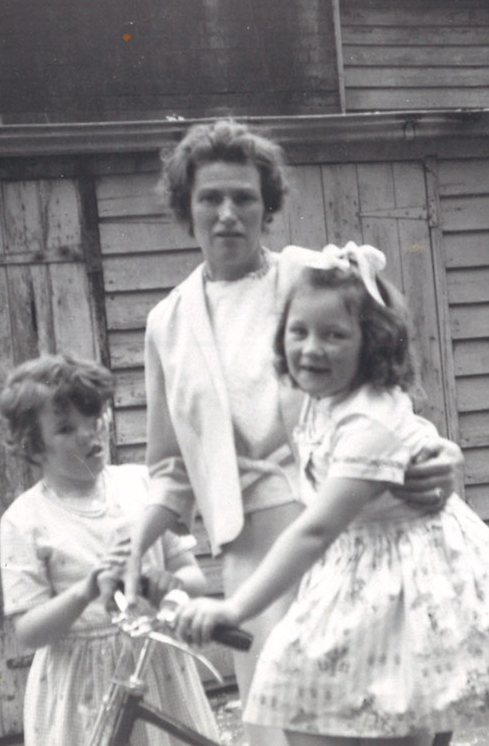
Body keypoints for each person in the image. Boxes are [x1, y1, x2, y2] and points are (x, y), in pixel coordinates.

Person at [122, 119, 463, 746]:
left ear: (267, 205)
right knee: (282, 725)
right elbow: (170, 468)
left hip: (342, 529)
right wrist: (134, 544)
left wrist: (440, 451)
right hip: (250, 550)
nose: (227, 214)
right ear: (187, 208)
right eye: (210, 198)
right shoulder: (166, 322)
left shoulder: (311, 276)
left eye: (244, 197)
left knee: (375, 720)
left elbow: (386, 389)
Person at [172, 244, 489, 746]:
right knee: (302, 703)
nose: (311, 348)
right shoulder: (323, 401)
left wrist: (233, 608)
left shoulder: (369, 417)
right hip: (356, 577)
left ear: (372, 345)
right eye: (299, 332)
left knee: (361, 717)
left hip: (402, 590)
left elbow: (316, 528)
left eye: (334, 335)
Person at [0, 354, 219, 746]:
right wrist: (85, 591)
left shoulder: (142, 487)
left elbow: (194, 580)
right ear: (34, 449)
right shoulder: (25, 519)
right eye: (66, 429)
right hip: (78, 687)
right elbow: (29, 631)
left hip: (156, 670)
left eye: (92, 419)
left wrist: (164, 583)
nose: (88, 434)